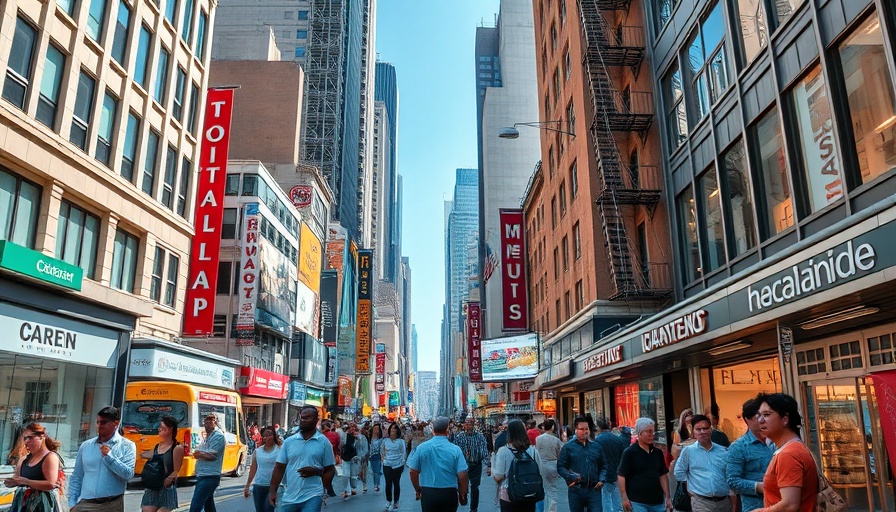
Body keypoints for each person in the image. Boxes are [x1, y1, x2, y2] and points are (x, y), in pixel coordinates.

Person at [754, 393, 817, 512]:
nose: (760, 420)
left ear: (785, 419)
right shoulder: (792, 448)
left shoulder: (788, 454)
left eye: (767, 414)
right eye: (759, 415)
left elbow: (789, 505)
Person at [269, 405, 336, 512]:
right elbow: (279, 468)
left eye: (307, 417)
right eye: (302, 418)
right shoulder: (289, 442)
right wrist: (273, 491)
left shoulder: (323, 442)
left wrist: (318, 475)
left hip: (313, 495)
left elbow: (330, 469)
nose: (303, 420)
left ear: (316, 420)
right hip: (290, 497)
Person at [69, 406, 136, 512]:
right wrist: (72, 503)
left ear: (115, 423)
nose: (99, 425)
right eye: (98, 422)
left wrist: (109, 457)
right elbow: (77, 476)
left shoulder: (127, 446)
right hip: (86, 504)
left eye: (104, 422)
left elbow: (128, 475)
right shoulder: (86, 446)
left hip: (111, 504)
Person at [673, 414, 733, 512]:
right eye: (698, 429)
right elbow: (679, 473)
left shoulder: (723, 451)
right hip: (701, 502)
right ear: (693, 432)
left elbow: (730, 474)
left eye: (705, 428)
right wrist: (689, 488)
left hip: (724, 502)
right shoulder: (688, 451)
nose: (702, 432)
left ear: (711, 430)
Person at [409, 416, 469, 512]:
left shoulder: (422, 448)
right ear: (447, 430)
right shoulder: (455, 449)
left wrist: (418, 489)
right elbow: (462, 474)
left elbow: (413, 471)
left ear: (433, 430)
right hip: (449, 493)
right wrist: (463, 493)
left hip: (428, 492)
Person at [726, 397, 775, 512]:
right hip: (755, 505)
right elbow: (732, 480)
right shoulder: (738, 447)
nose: (764, 420)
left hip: (781, 501)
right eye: (759, 416)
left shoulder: (776, 440)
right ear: (748, 419)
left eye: (766, 415)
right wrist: (758, 486)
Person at [4, 422, 64, 512]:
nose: (27, 441)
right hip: (23, 503)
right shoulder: (23, 459)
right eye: (25, 438)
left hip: (42, 504)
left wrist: (26, 481)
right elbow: (17, 478)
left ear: (41, 437)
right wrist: (11, 482)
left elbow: (51, 484)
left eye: (30, 438)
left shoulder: (50, 457)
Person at [616, 417, 671, 512]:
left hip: (657, 501)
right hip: (637, 501)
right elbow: (621, 475)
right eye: (648, 431)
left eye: (653, 432)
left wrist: (668, 497)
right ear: (639, 433)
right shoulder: (630, 452)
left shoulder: (658, 452)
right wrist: (624, 498)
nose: (651, 435)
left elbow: (663, 475)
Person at [557, 416, 606, 512]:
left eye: (586, 429)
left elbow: (604, 465)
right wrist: (571, 476)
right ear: (576, 430)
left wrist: (601, 480)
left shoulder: (596, 447)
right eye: (581, 429)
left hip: (594, 489)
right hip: (576, 490)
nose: (585, 431)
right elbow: (560, 467)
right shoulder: (568, 447)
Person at [494, 419, 542, 512]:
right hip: (529, 493)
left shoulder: (503, 451)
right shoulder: (532, 450)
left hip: (509, 495)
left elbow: (498, 477)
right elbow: (539, 471)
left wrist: (492, 468)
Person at [141, 415, 185, 512]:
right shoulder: (158, 446)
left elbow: (176, 470)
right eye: (159, 427)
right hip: (153, 486)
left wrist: (168, 480)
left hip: (166, 488)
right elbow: (147, 455)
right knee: (147, 509)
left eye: (162, 427)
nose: (159, 429)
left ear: (170, 429)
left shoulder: (176, 447)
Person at [189, 414, 227, 512]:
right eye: (207, 421)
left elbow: (211, 455)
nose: (209, 423)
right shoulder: (206, 438)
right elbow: (198, 452)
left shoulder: (218, 437)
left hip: (209, 476)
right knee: (208, 505)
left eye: (212, 421)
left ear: (216, 423)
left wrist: (199, 454)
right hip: (202, 475)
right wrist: (200, 453)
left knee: (195, 506)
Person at [452, 418, 490, 512]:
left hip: (475, 465)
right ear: (464, 425)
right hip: (463, 466)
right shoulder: (459, 437)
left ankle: (474, 508)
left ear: (473, 425)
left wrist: (488, 465)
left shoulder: (480, 437)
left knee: (475, 487)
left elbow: (484, 451)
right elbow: (455, 451)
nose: (468, 425)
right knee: (462, 485)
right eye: (467, 423)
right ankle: (463, 497)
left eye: (470, 423)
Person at [243, 426, 282, 512]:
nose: (267, 437)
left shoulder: (280, 450)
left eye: (269, 434)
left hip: (274, 486)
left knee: (269, 509)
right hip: (259, 486)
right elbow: (253, 469)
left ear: (274, 436)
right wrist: (247, 486)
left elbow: (283, 468)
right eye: (264, 435)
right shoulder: (257, 451)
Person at [595, 418, 629, 512]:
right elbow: (623, 456)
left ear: (599, 428)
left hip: (604, 473)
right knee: (617, 500)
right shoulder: (617, 439)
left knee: (605, 499)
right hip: (617, 472)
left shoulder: (598, 440)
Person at [535, 419, 563, 512]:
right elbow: (561, 454)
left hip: (541, 464)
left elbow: (537, 451)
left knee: (543, 487)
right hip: (553, 464)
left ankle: (543, 508)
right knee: (553, 488)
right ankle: (552, 509)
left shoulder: (538, 439)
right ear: (552, 427)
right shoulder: (556, 440)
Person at [382, 423, 407, 511]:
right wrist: (383, 459)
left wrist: (402, 462)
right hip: (387, 464)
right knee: (388, 484)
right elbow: (382, 450)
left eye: (394, 430)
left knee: (396, 483)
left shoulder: (401, 442)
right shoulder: (385, 441)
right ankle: (389, 500)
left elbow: (404, 452)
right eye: (391, 430)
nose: (393, 432)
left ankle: (396, 502)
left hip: (398, 464)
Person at [340, 424, 366, 499]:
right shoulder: (344, 436)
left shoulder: (360, 437)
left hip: (355, 458)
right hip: (346, 458)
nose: (352, 430)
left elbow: (361, 447)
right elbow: (341, 446)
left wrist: (361, 456)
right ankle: (346, 490)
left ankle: (353, 488)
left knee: (353, 475)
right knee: (346, 474)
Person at [322, 420, 340, 498]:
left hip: (322, 458)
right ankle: (329, 490)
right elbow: (338, 446)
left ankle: (326, 490)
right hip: (331, 457)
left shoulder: (320, 435)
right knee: (329, 473)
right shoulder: (335, 435)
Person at [369, 423, 386, 493]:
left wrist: (382, 457)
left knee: (376, 472)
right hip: (369, 456)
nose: (376, 430)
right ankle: (372, 484)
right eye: (375, 428)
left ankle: (376, 485)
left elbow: (382, 449)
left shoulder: (381, 440)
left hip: (377, 456)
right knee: (371, 472)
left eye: (377, 429)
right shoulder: (369, 438)